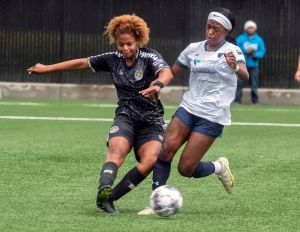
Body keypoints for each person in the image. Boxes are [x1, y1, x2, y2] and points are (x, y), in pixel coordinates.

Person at [27, 14, 173, 213]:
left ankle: (109, 199)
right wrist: (46, 69)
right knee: (116, 151)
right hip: (125, 117)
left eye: (129, 44)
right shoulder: (112, 59)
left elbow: (167, 72)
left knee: (150, 161)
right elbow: (81, 63)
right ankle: (104, 188)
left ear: (138, 40)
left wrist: (157, 85)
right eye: (120, 45)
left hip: (151, 122)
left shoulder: (149, 57)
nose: (125, 49)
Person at [138, 7, 249, 215]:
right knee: (166, 149)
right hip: (188, 107)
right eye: (208, 27)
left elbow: (245, 76)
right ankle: (156, 202)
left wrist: (234, 66)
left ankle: (219, 167)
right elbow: (172, 71)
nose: (210, 32)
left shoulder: (232, 51)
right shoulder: (193, 49)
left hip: (213, 115)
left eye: (216, 29)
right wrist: (158, 85)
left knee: (186, 169)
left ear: (226, 31)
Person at [235, 20, 266, 104]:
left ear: (255, 29)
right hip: (242, 65)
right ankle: (237, 100)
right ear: (246, 29)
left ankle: (255, 100)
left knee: (254, 84)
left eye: (252, 28)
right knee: (239, 83)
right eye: (249, 28)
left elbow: (262, 50)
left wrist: (256, 54)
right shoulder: (240, 38)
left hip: (254, 65)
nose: (251, 29)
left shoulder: (259, 40)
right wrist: (245, 50)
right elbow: (236, 48)